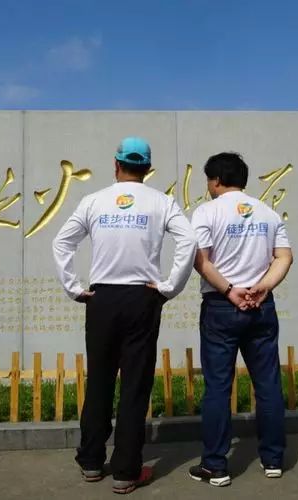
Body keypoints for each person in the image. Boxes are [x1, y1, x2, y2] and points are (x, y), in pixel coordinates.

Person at [52, 137, 197, 494]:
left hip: (101, 298)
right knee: (134, 385)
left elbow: (62, 242)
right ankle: (126, 471)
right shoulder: (162, 202)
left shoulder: (94, 200)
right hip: (142, 298)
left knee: (99, 379)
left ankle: (90, 461)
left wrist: (74, 287)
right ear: (147, 168)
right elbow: (188, 241)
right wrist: (169, 287)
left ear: (116, 165)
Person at [187, 152, 293, 487]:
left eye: (209, 180)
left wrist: (230, 290)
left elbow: (200, 260)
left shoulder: (207, 212)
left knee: (218, 386)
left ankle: (216, 466)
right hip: (261, 306)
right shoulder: (268, 212)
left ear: (216, 180)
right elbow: (284, 257)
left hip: (221, 306)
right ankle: (273, 459)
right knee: (268, 383)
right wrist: (263, 286)